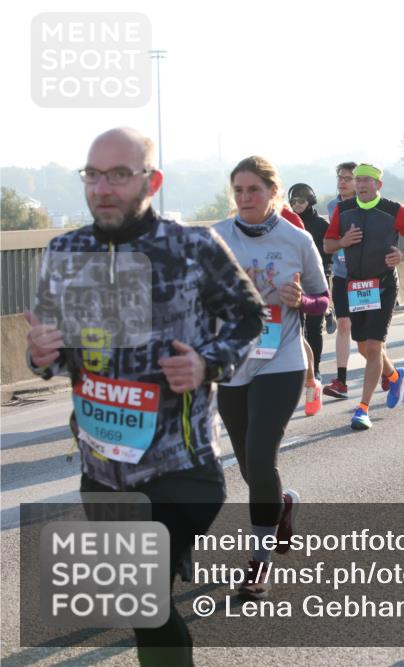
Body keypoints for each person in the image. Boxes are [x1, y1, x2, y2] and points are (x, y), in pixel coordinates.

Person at [25, 127, 265, 666]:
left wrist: (207, 362)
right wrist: (40, 355)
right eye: (92, 175)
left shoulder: (192, 247)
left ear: (151, 181)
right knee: (143, 603)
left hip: (182, 469)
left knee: (142, 597)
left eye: (117, 175)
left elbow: (251, 317)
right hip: (103, 468)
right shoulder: (65, 251)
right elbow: (54, 352)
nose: (102, 188)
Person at [214, 156, 329, 598]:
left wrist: (301, 301)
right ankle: (281, 506)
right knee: (247, 466)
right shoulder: (216, 238)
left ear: (272, 194)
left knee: (261, 459)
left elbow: (323, 300)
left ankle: (258, 562)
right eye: (238, 191)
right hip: (231, 361)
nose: (245, 198)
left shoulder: (296, 239)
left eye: (253, 190)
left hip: (281, 360)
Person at [324, 163, 404, 430]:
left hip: (383, 285)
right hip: (357, 287)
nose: (361, 185)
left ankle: (362, 408)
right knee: (363, 347)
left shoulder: (393, 210)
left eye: (367, 181)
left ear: (378, 185)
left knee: (375, 346)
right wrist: (343, 241)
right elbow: (327, 244)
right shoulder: (343, 210)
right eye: (358, 181)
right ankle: (394, 376)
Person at [289, 182, 329, 416]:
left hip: (317, 281)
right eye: (293, 202)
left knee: (315, 328)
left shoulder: (320, 225)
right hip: (295, 283)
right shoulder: (287, 221)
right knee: (298, 331)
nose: (297, 206)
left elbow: (329, 252)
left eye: (301, 201)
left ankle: (315, 373)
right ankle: (305, 374)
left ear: (310, 202)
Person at [322, 161, 358, 400]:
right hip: (342, 274)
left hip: (366, 278)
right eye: (340, 177)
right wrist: (341, 243)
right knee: (343, 325)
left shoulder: (368, 205)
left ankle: (390, 373)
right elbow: (330, 241)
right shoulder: (333, 206)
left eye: (347, 178)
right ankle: (341, 380)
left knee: (368, 339)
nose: (342, 182)